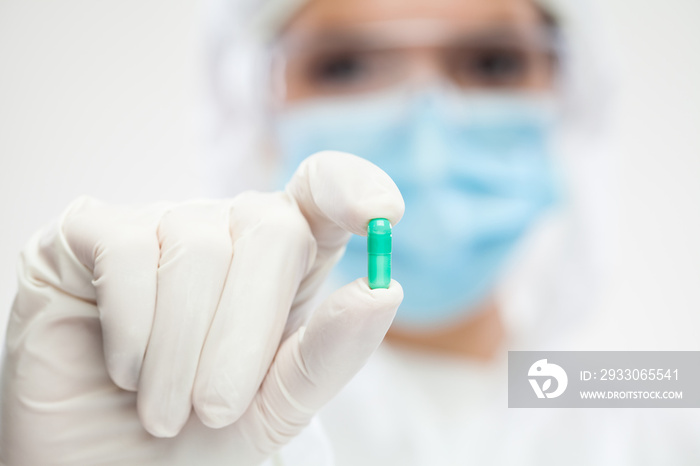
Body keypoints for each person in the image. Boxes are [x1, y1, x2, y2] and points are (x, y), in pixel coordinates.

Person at [2, 0, 700, 465]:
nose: (429, 129)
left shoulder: (645, 400)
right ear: (252, 108)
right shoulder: (165, 409)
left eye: (492, 62)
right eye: (346, 66)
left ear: (573, 99)